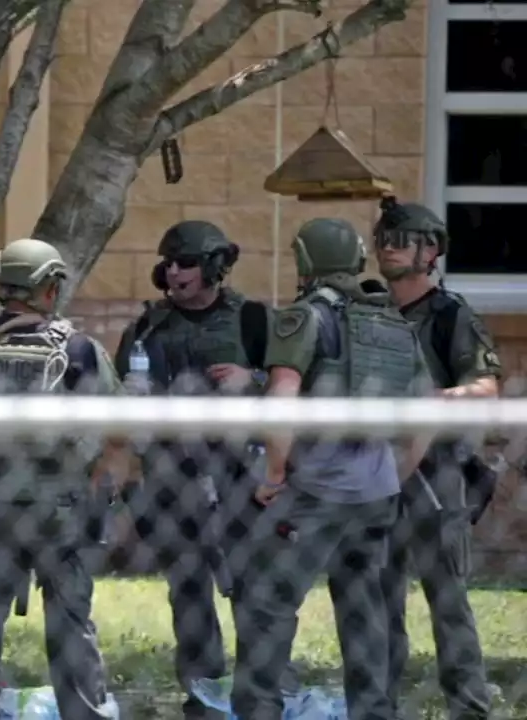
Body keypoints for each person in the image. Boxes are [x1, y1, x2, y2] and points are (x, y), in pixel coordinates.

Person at [230, 218, 433, 720]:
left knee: (266, 605)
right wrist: (394, 476)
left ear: (304, 259)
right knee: (364, 611)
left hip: (314, 492)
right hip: (376, 496)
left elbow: (281, 398)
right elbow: (425, 415)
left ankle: (258, 710)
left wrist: (274, 475)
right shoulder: (392, 321)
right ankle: (373, 711)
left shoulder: (305, 318)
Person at [0, 237, 122, 720]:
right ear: (50, 289)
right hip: (61, 511)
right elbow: (114, 432)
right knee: (71, 623)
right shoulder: (79, 351)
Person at [111, 220, 271, 719]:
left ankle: (261, 691)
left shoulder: (254, 321)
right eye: (169, 263)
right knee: (188, 587)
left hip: (239, 470)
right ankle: (204, 693)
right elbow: (121, 398)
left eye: (186, 262)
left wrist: (254, 378)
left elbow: (296, 385)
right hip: (168, 474)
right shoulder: (145, 328)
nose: (174, 272)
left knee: (251, 584)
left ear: (214, 267)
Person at [374, 198, 498, 719]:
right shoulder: (370, 312)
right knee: (378, 605)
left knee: (448, 604)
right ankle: (377, 705)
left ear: (431, 251)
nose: (387, 249)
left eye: (401, 241)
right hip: (376, 473)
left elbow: (486, 388)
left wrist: (435, 402)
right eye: (383, 239)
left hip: (437, 477)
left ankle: (469, 709)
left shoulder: (452, 316)